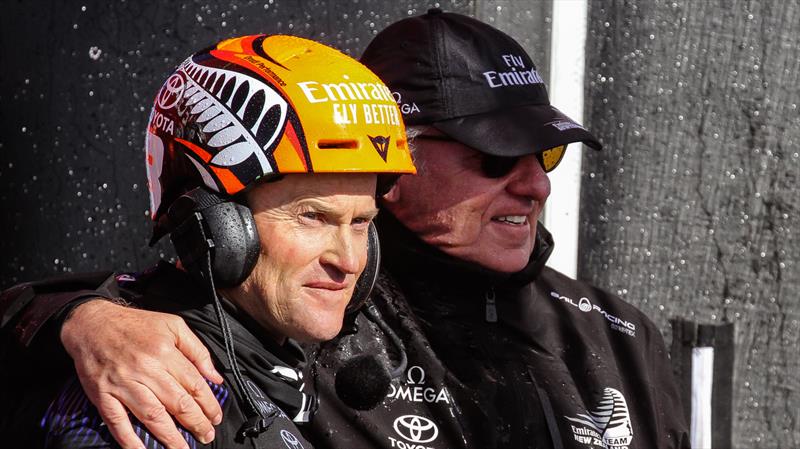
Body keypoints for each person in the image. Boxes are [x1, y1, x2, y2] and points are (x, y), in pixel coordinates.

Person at [1, 10, 691, 449]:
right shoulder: (285, 318)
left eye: (545, 155)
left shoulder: (618, 333)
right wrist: (78, 319)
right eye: (497, 156)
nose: (537, 184)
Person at [0, 33, 415, 449]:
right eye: (312, 217)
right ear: (213, 226)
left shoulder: (262, 366)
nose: (348, 261)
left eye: (361, 223)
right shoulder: (158, 404)